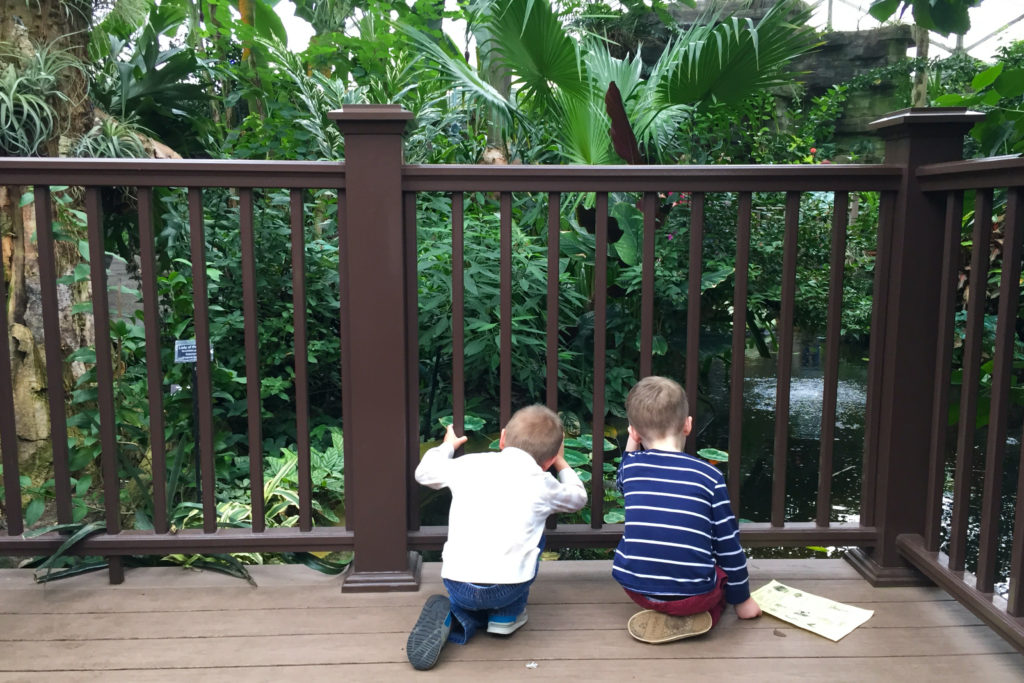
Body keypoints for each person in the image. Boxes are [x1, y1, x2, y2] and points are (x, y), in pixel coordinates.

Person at [406, 405, 588, 670]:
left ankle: (458, 612)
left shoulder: (469, 464)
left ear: (503, 438)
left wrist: (447, 446)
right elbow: (579, 498)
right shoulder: (542, 482)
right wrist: (561, 462)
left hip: (458, 581)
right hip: (508, 588)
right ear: (548, 461)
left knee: (467, 588)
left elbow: (423, 473)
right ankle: (505, 616)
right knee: (535, 538)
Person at [613, 376, 761, 644]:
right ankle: (706, 615)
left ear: (633, 432)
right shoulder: (709, 476)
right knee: (721, 573)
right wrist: (744, 601)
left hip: (637, 590)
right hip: (694, 596)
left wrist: (633, 442)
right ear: (688, 425)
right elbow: (729, 545)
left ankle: (663, 609)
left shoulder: (631, 470)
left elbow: (621, 477)